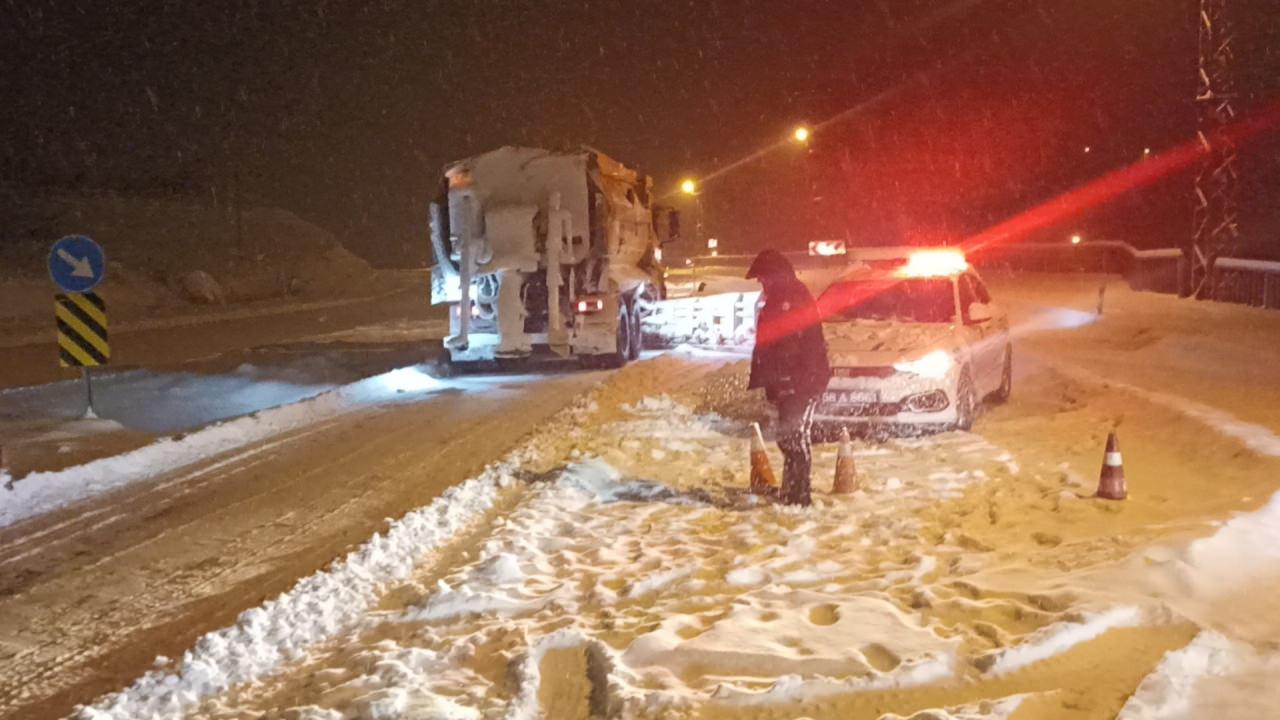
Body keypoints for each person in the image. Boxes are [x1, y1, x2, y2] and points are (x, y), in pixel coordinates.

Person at [746, 249, 831, 506]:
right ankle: (794, 490)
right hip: (791, 381)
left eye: (763, 277)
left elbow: (790, 345)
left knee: (794, 436)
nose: (761, 282)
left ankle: (799, 496)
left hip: (800, 382)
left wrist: (786, 380)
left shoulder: (791, 298)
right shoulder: (781, 298)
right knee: (790, 437)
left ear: (776, 275)